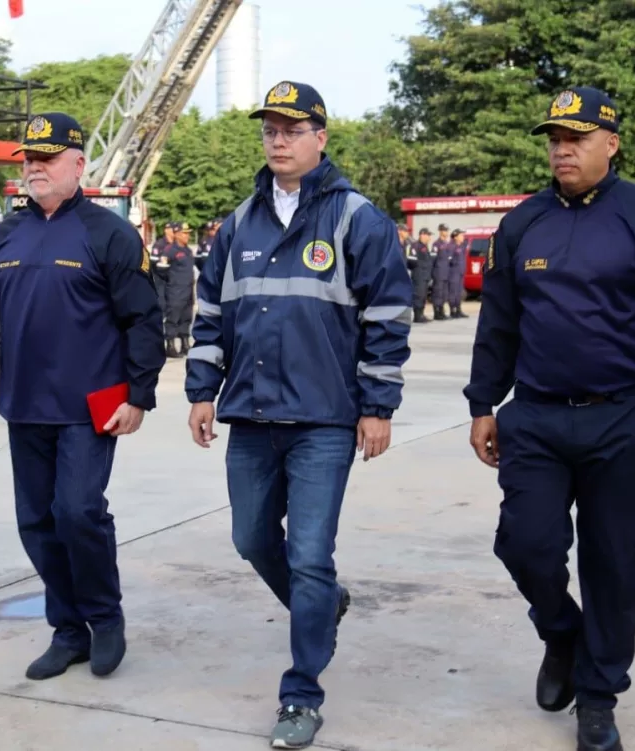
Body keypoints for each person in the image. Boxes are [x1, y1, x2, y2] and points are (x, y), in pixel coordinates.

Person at [463, 86, 635, 751]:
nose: (562, 148)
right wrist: (482, 403)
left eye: (576, 138)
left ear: (612, 143)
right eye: (554, 137)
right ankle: (562, 633)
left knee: (615, 560)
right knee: (526, 543)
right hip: (538, 417)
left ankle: (600, 695)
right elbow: (498, 323)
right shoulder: (522, 225)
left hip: (624, 418)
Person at [185, 81, 415, 750]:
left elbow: (388, 317)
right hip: (251, 417)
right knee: (252, 540)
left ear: (321, 136)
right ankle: (324, 606)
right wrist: (202, 389)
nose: (278, 139)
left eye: (292, 128)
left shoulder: (355, 219)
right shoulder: (239, 223)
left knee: (310, 556)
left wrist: (377, 406)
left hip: (323, 421)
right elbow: (208, 315)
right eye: (270, 129)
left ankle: (301, 692)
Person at [0, 112, 165, 681]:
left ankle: (105, 619)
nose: (35, 167)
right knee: (36, 521)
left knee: (78, 511)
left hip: (92, 406)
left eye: (48, 157)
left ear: (78, 164)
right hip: (25, 401)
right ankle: (68, 630)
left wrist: (139, 393)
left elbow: (142, 318)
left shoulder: (108, 233)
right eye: (29, 159)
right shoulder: (6, 234)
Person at [161, 221, 195, 358]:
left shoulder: (188, 250)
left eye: (188, 234)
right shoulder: (170, 250)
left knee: (186, 317)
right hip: (175, 290)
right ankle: (170, 345)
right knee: (173, 318)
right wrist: (172, 282)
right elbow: (161, 270)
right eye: (184, 233)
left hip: (188, 290)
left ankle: (185, 344)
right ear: (176, 234)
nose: (187, 236)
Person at [446, 228, 469, 318]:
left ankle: (459, 309)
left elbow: (466, 242)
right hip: (453, 272)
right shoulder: (451, 246)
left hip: (460, 272)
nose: (463, 237)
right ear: (455, 237)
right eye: (461, 235)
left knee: (459, 292)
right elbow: (448, 260)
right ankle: (453, 310)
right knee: (453, 292)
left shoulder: (461, 246)